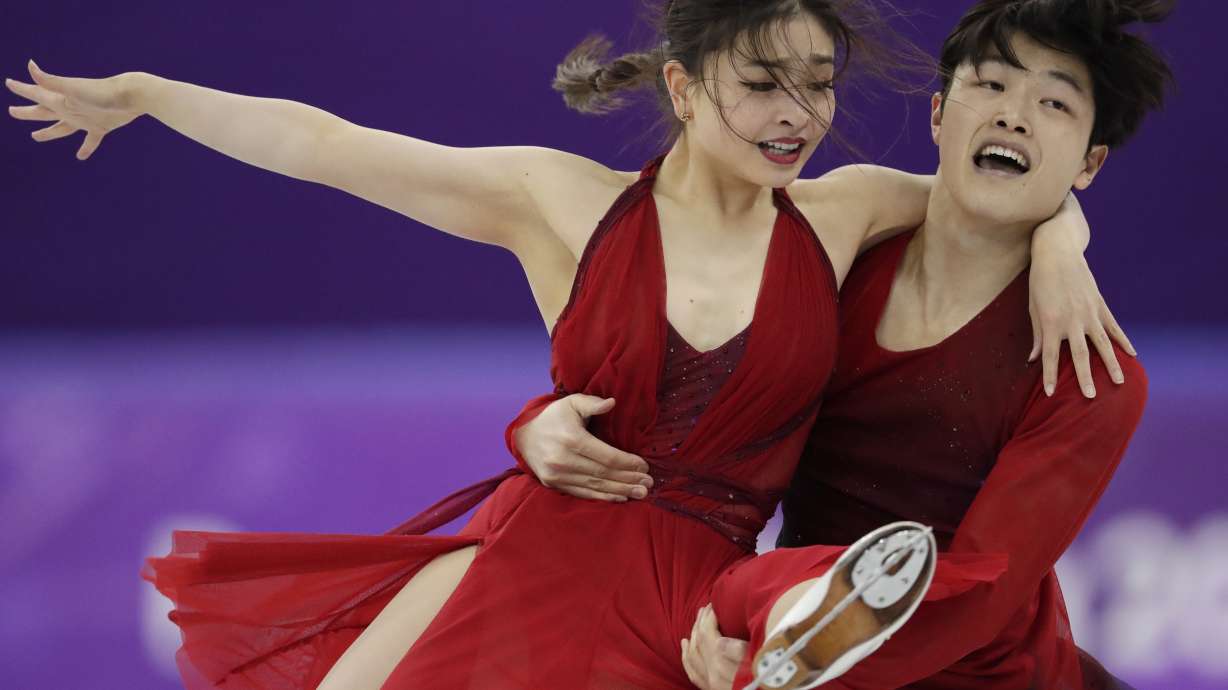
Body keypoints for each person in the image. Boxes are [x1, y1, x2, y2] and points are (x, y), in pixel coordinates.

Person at [5, 2, 1133, 688]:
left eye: (819, 86)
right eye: (762, 84)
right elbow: (332, 145)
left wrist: (1067, 240)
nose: (796, 113)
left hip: (704, 606)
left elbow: (992, 192)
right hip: (537, 558)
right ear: (686, 89)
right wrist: (156, 94)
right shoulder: (565, 204)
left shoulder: (842, 215)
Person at [511, 1, 1172, 688]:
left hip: (963, 671)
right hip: (780, 622)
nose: (1013, 115)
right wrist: (541, 424)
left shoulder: (1091, 374)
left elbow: (980, 595)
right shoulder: (833, 262)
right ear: (939, 115)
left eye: (1054, 104)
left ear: (1090, 163)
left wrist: (774, 656)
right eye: (993, 84)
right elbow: (682, 408)